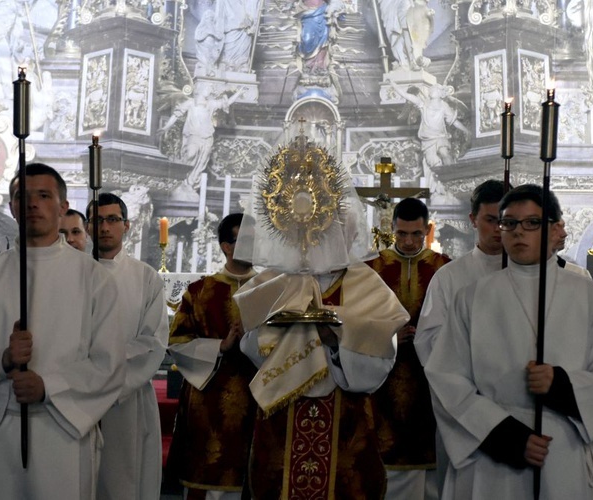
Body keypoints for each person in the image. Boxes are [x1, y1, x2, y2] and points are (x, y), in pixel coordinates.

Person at [0, 163, 126, 499]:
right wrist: (2, 361)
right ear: (11, 206)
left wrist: (48, 387)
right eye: (21, 197)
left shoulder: (94, 279)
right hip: (0, 429)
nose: (31, 204)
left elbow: (109, 363)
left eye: (43, 195)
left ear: (63, 206)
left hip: (63, 432)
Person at [425, 184, 593, 499]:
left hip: (567, 446)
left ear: (555, 228)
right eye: (509, 223)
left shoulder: (592, 297)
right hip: (493, 454)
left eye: (531, 223)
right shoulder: (472, 298)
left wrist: (563, 386)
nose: (518, 232)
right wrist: (503, 435)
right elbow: (446, 378)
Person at [232, 167, 410, 498]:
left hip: (346, 421)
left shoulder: (368, 284)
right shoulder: (278, 277)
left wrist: (335, 341)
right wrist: (281, 335)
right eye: (325, 229)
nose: (332, 238)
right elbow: (249, 345)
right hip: (283, 417)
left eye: (342, 231)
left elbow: (381, 359)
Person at [415, 179, 504, 495]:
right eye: (490, 220)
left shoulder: (535, 274)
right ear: (473, 220)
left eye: (506, 221)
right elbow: (428, 341)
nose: (498, 229)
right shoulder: (450, 278)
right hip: (465, 408)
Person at [166, 213, 258, 499]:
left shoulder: (272, 289)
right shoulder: (199, 291)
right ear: (226, 247)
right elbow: (177, 343)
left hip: (259, 401)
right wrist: (220, 346)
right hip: (209, 406)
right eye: (245, 240)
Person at [365, 197, 450, 500]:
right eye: (402, 234)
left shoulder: (445, 269)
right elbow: (355, 326)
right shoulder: (371, 270)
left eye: (416, 234)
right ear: (392, 229)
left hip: (430, 381)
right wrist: (388, 336)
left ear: (427, 230)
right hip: (383, 380)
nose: (410, 241)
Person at [86, 193, 168, 500]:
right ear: (88, 225)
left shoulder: (145, 277)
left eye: (112, 220)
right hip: (78, 392)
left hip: (126, 397)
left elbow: (153, 342)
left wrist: (107, 375)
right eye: (97, 220)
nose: (105, 227)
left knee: (124, 480)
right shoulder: (74, 273)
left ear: (127, 226)